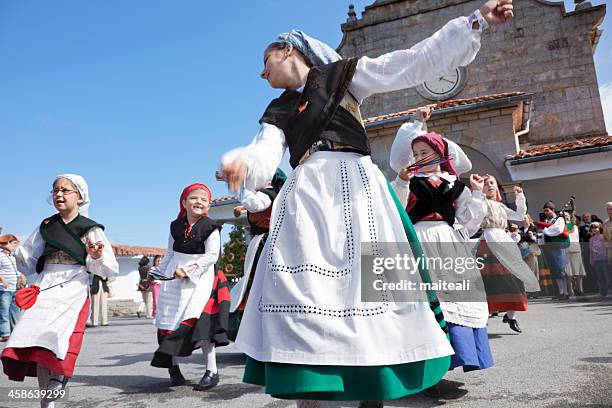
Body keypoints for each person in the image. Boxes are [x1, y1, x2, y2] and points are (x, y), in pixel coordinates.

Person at [219, 2, 514, 405]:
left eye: (265, 59)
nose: (261, 71)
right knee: (306, 285)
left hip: (354, 184)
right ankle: (311, 384)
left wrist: (475, 23)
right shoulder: (278, 108)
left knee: (369, 284)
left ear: (289, 49)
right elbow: (265, 153)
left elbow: (411, 63)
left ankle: (374, 379)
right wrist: (243, 164)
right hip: (307, 194)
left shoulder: (344, 76)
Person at [1, 174, 118, 408]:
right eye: (55, 190)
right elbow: (28, 258)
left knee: (56, 337)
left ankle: (60, 376)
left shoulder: (90, 228)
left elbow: (108, 269)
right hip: (45, 283)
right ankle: (47, 403)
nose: (59, 195)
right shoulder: (47, 225)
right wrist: (12, 250)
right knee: (32, 336)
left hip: (73, 284)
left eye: (65, 190)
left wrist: (94, 257)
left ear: (80, 196)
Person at [151, 183, 229, 391]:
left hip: (200, 279)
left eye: (204, 200)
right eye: (194, 198)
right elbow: (170, 253)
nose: (199, 202)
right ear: (184, 202)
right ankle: (174, 369)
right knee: (169, 322)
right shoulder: (175, 226)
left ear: (208, 207)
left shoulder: (211, 227)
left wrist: (188, 269)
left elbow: (212, 256)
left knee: (200, 323)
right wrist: (157, 274)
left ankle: (211, 370)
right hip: (174, 280)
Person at [474, 176, 539, 334]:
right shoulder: (479, 203)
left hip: (504, 242)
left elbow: (518, 216)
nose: (489, 186)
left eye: (492, 183)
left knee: (515, 278)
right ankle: (482, 320)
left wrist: (520, 197)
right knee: (489, 281)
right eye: (486, 184)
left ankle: (511, 316)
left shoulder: (501, 206)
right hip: (487, 243)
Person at [228, 169, 286, 342]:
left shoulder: (269, 193)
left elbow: (256, 204)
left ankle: (263, 335)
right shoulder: (265, 195)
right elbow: (254, 206)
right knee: (255, 287)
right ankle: (254, 335)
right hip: (261, 245)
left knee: (263, 287)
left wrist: (239, 183)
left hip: (268, 245)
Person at [536, 201, 570, 300]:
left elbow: (557, 230)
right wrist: (539, 238)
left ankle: (566, 292)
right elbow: (543, 235)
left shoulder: (559, 219)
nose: (546, 213)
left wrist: (545, 230)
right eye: (545, 211)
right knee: (554, 271)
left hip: (558, 247)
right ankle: (559, 292)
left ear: (553, 210)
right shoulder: (546, 222)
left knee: (560, 270)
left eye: (547, 210)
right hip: (548, 248)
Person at [0, 235, 26, 341]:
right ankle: (5, 333)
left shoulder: (11, 256)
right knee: (4, 312)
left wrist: (21, 275)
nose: (15, 246)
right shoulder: (0, 256)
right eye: (13, 244)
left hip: (14, 288)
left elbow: (14, 270)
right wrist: (2, 279)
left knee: (15, 311)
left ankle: (15, 331)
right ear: (6, 244)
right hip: (4, 289)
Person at [563, 211, 586, 298]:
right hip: (566, 250)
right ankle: (570, 291)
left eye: (567, 215)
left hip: (576, 250)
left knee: (579, 272)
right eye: (564, 216)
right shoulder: (561, 227)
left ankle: (580, 289)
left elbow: (573, 233)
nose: (566, 217)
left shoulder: (575, 226)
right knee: (569, 272)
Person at [589, 222, 609, 298]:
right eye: (592, 227)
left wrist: (608, 258)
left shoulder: (603, 237)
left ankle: (608, 291)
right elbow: (591, 251)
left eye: (596, 227)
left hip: (604, 259)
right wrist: (591, 261)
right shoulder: (591, 239)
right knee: (600, 277)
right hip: (596, 260)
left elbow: (607, 248)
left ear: (600, 227)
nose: (594, 229)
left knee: (606, 276)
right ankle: (602, 292)